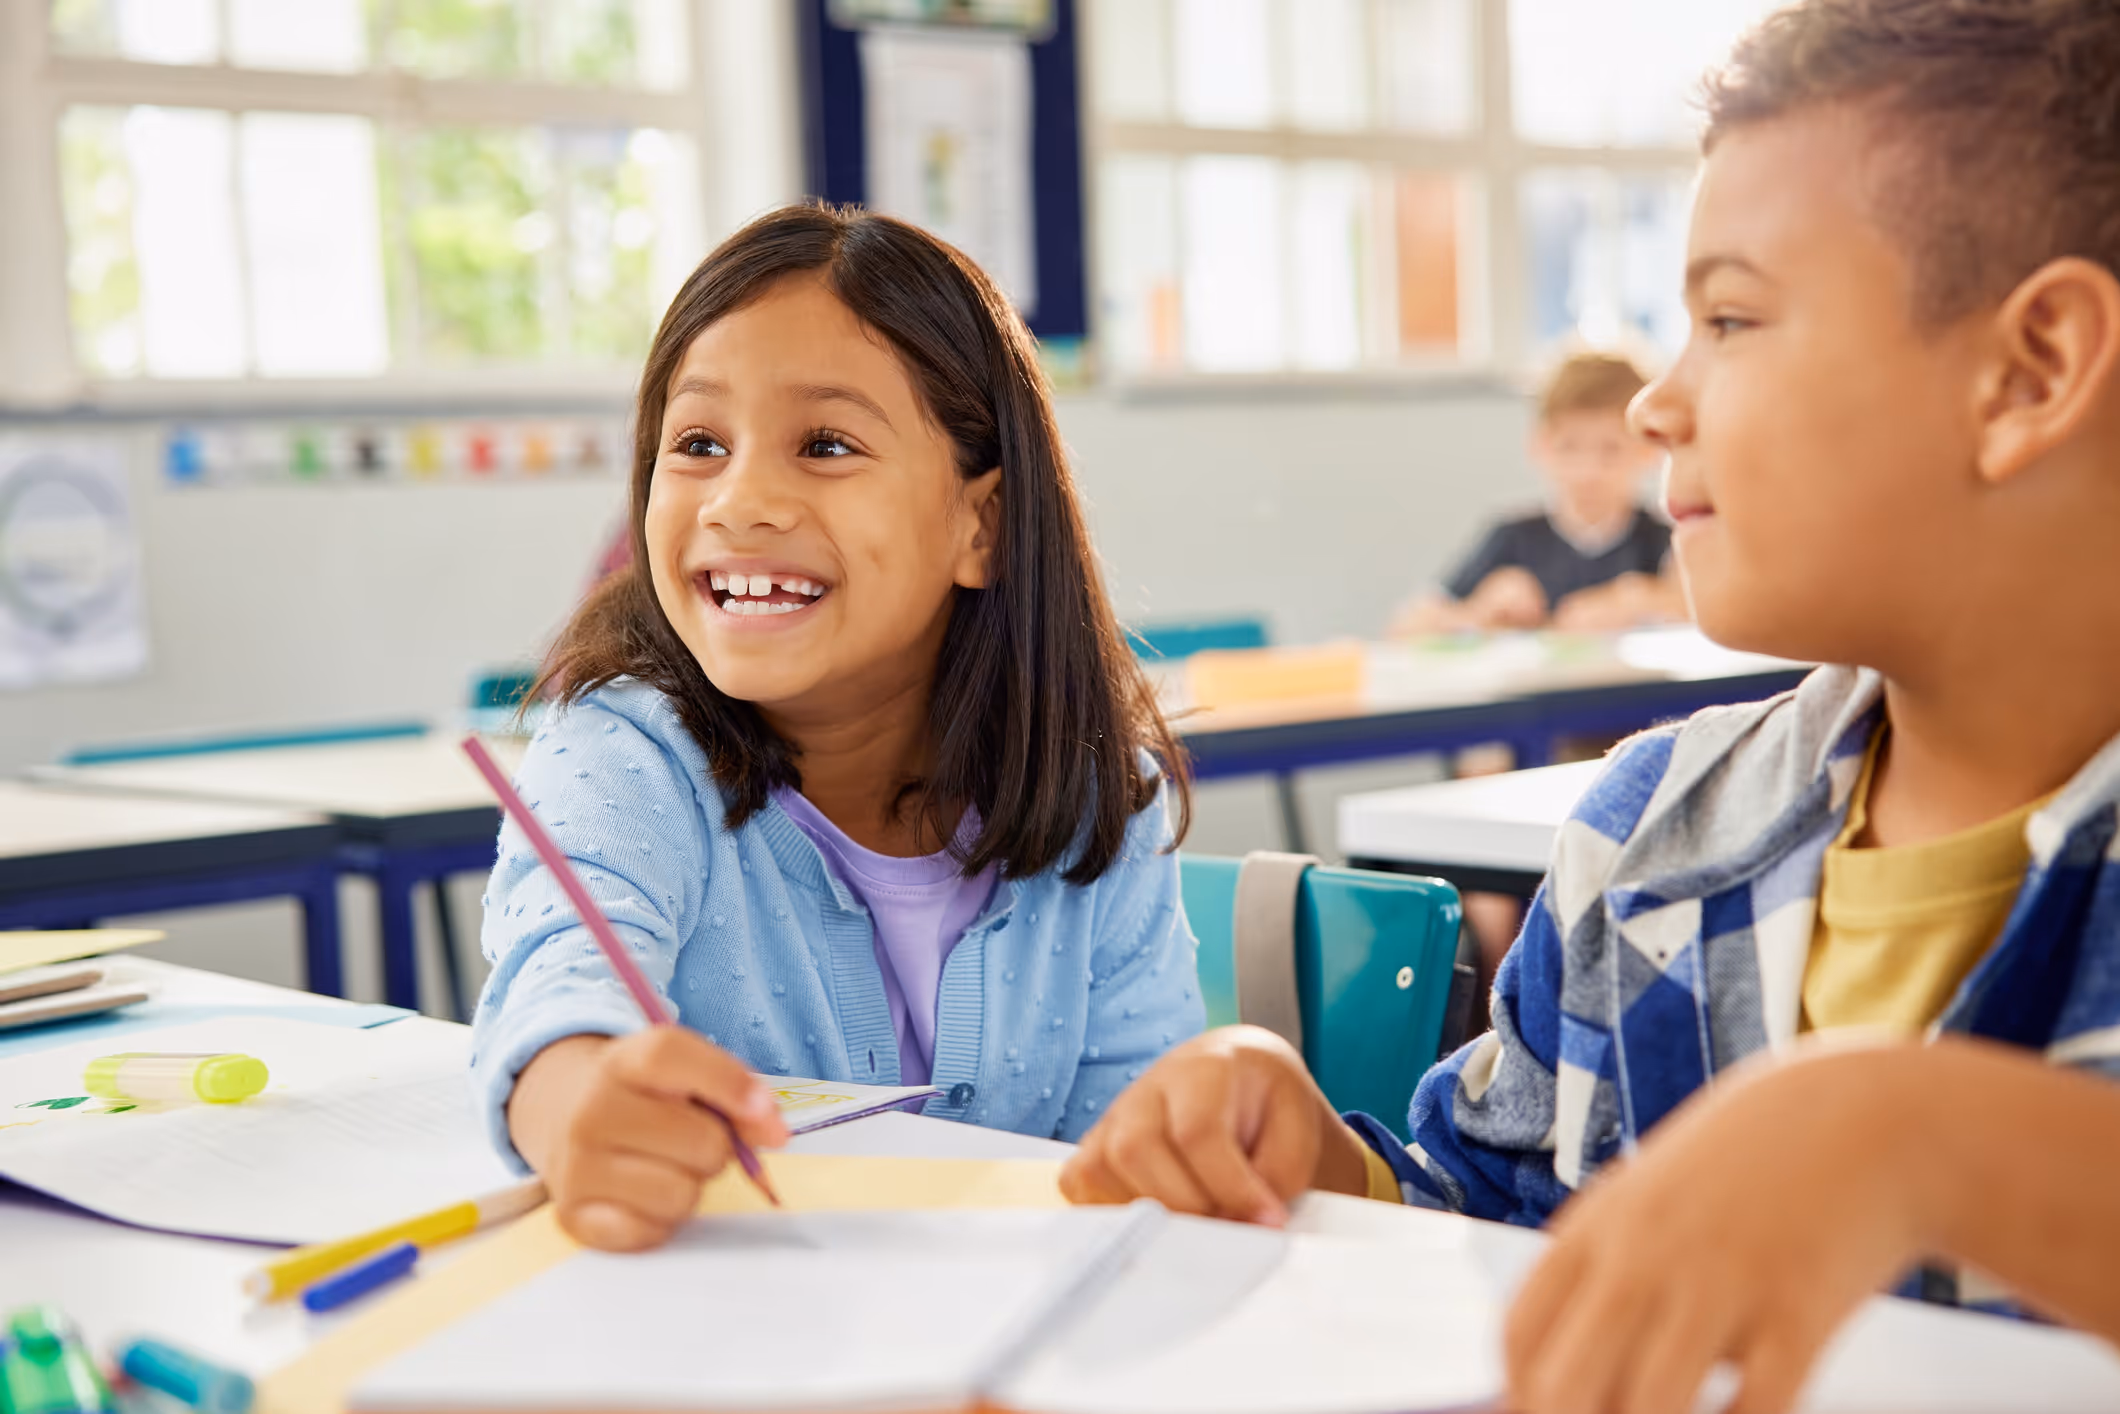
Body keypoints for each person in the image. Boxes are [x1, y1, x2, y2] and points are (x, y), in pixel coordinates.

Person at [1059, 0, 2120, 1408]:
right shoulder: (1651, 834)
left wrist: (1927, 1144)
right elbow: (1494, 1230)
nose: (1653, 406)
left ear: (2030, 369)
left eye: (1731, 317)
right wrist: (1308, 1149)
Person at [475, 204, 1203, 1252]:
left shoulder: (1098, 798)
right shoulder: (621, 759)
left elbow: (1135, 1153)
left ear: (980, 523)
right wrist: (577, 1096)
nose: (738, 500)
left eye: (823, 443)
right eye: (696, 444)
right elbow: (554, 991)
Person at [1391, 351, 1686, 636]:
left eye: (1611, 450)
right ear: (1540, 446)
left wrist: (1645, 601)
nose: (1588, 472)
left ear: (1649, 452)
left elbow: (1710, 624)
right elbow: (1406, 628)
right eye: (1569, 447)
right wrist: (1481, 611)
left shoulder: (1665, 542)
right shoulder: (1511, 537)